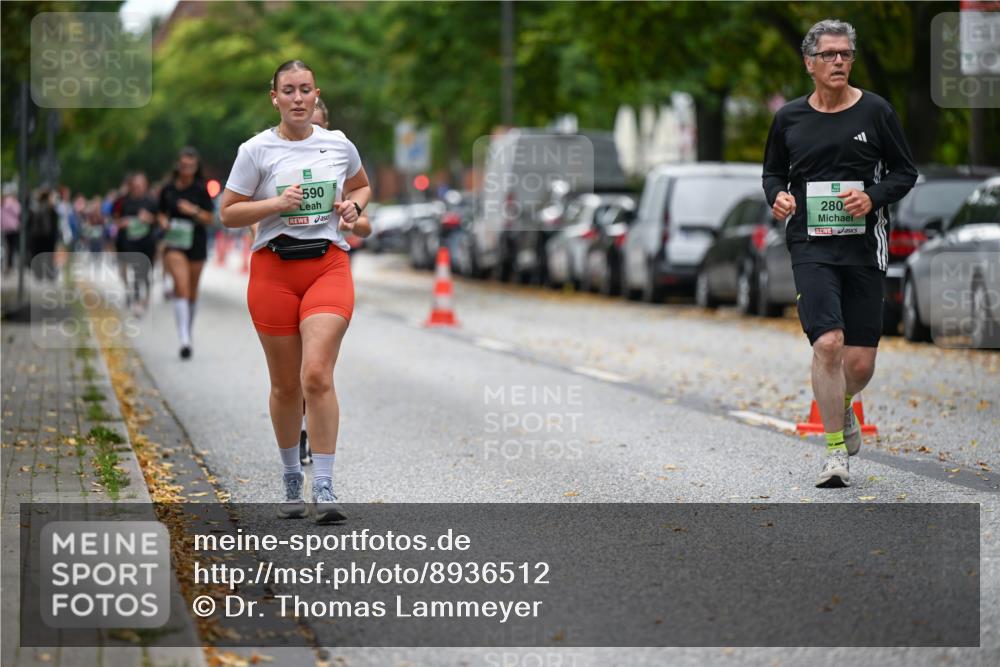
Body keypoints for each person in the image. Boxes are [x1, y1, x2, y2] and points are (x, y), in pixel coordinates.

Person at [762, 19, 917, 488]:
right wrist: (777, 197)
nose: (839, 61)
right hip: (810, 244)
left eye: (845, 54)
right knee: (828, 343)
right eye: (829, 54)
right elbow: (773, 173)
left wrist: (872, 197)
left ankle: (845, 402)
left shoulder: (876, 112)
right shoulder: (789, 118)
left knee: (860, 363)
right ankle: (834, 454)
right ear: (809, 63)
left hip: (864, 245)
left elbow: (905, 172)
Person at [220, 59, 371, 523]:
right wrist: (275, 204)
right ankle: (291, 475)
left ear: (316, 94)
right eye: (289, 90)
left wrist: (352, 208)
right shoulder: (255, 151)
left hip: (328, 266)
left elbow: (362, 187)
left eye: (305, 89)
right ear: (275, 98)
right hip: (274, 271)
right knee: (286, 386)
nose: (298, 98)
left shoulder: (338, 144)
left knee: (316, 375)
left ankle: (323, 484)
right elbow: (228, 212)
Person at [158, 147, 214, 359]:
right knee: (181, 287)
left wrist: (194, 211)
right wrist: (163, 222)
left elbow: (211, 219)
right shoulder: (168, 189)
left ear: (196, 167)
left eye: (191, 166)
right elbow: (160, 213)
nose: (187, 169)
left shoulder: (201, 189)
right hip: (174, 243)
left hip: (196, 242)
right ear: (178, 165)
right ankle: (184, 340)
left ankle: (187, 332)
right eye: (183, 165)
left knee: (192, 291)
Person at [114, 172, 159, 313]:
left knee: (141, 271)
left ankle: (140, 297)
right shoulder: (122, 201)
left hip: (146, 242)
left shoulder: (152, 202)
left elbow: (160, 221)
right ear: (131, 185)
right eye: (135, 185)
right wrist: (122, 223)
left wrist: (149, 218)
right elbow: (114, 220)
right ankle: (131, 292)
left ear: (146, 186)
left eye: (141, 185)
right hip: (126, 241)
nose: (138, 188)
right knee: (125, 271)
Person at [1, 187, 21, 275]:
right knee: (13, 248)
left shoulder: (4, 202)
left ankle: (7, 265)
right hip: (13, 227)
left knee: (7, 247)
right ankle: (11, 265)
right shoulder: (14, 203)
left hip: (5, 228)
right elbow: (18, 211)